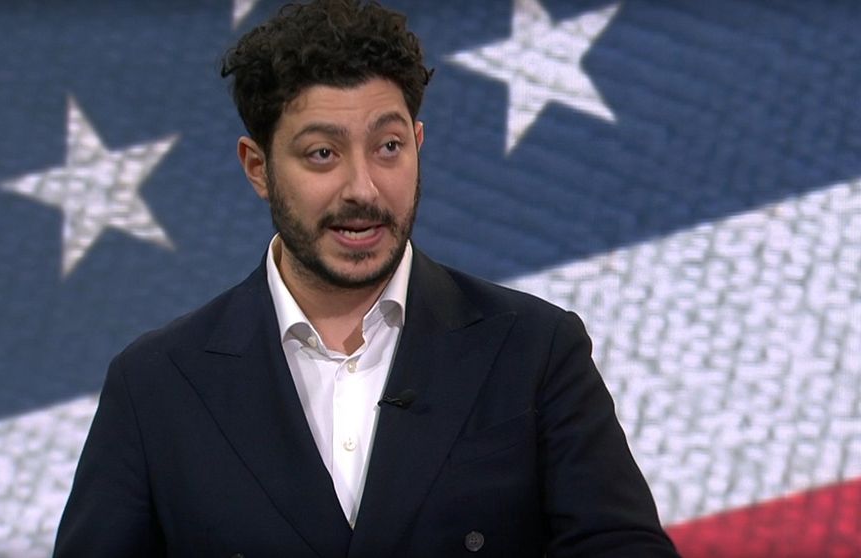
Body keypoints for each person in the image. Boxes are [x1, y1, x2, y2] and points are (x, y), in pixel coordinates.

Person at [54, 1, 680, 556]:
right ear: (258, 167)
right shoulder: (156, 385)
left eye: (388, 147)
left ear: (418, 143)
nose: (363, 189)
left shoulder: (536, 350)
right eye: (322, 154)